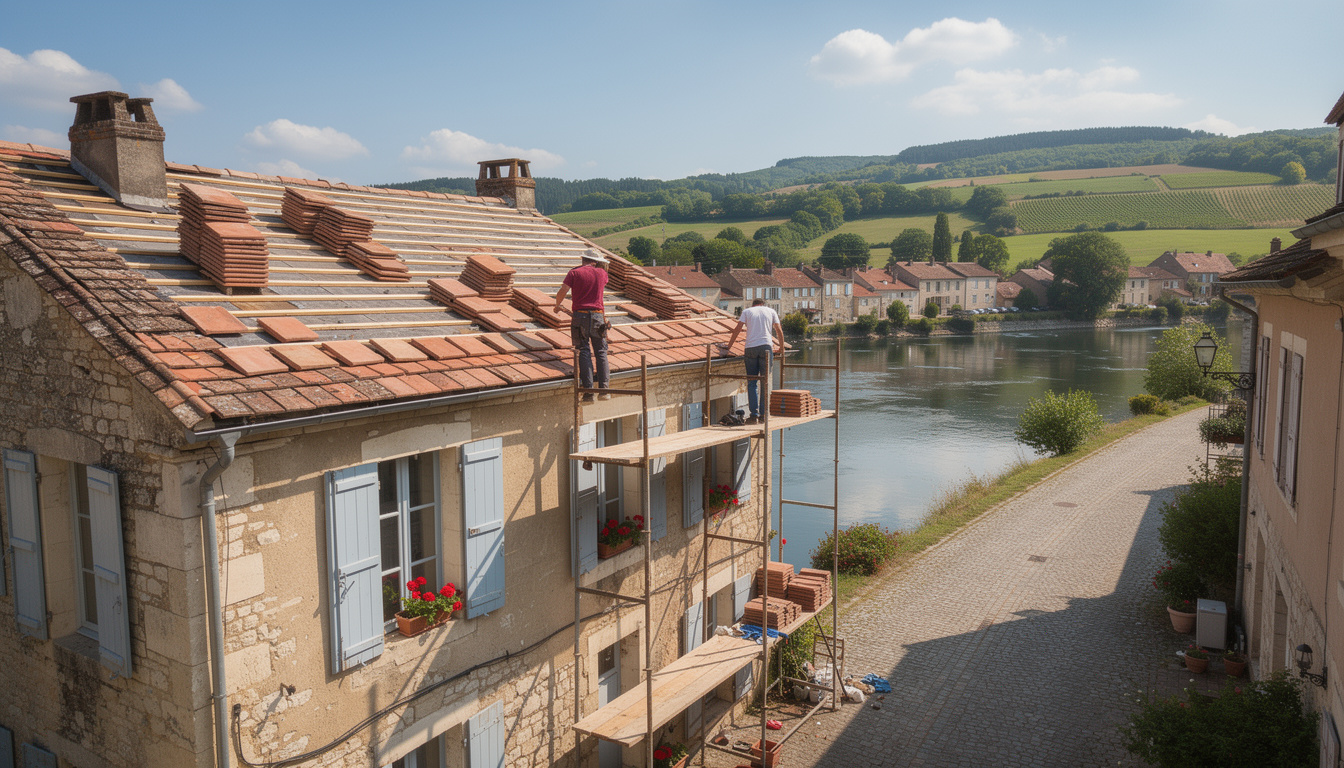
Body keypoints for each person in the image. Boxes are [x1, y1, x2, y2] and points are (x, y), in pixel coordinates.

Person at [555, 248, 610, 401]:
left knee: (583, 351)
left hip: (580, 316)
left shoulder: (574, 273)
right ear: (595, 261)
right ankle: (604, 390)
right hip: (599, 316)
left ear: (582, 259)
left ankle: (588, 392)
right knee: (601, 351)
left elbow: (563, 290)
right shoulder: (602, 273)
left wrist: (557, 304)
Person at [722, 298, 783, 424]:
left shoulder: (747, 311)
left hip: (750, 348)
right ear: (762, 304)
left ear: (753, 305)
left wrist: (729, 346)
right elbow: (779, 331)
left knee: (752, 383)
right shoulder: (771, 311)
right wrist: (781, 348)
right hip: (766, 347)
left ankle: (753, 415)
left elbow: (737, 329)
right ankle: (763, 415)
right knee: (765, 383)